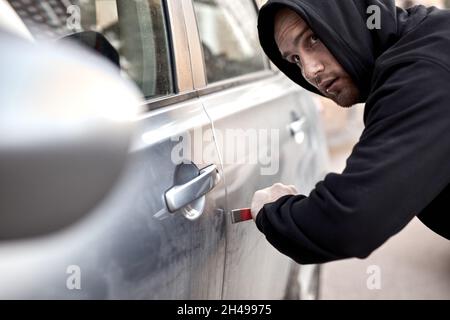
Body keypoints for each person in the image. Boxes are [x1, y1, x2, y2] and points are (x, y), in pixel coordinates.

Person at [251, 0, 450, 264]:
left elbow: (352, 219)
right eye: (295, 59)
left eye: (313, 38)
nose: (310, 71)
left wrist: (273, 210)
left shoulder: (422, 69)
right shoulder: (424, 39)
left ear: (350, 17)